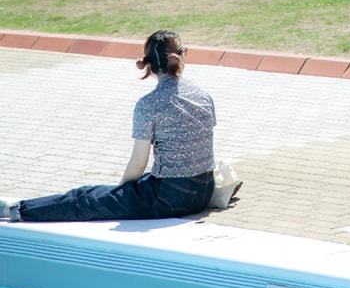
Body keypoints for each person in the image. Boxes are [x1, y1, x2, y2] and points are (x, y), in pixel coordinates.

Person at [0, 29, 217, 223]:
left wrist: (120, 191)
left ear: (148, 65)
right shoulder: (203, 94)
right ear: (182, 56)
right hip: (204, 189)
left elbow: (138, 164)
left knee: (85, 198)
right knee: (136, 182)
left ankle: (17, 209)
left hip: (171, 198)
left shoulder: (149, 104)